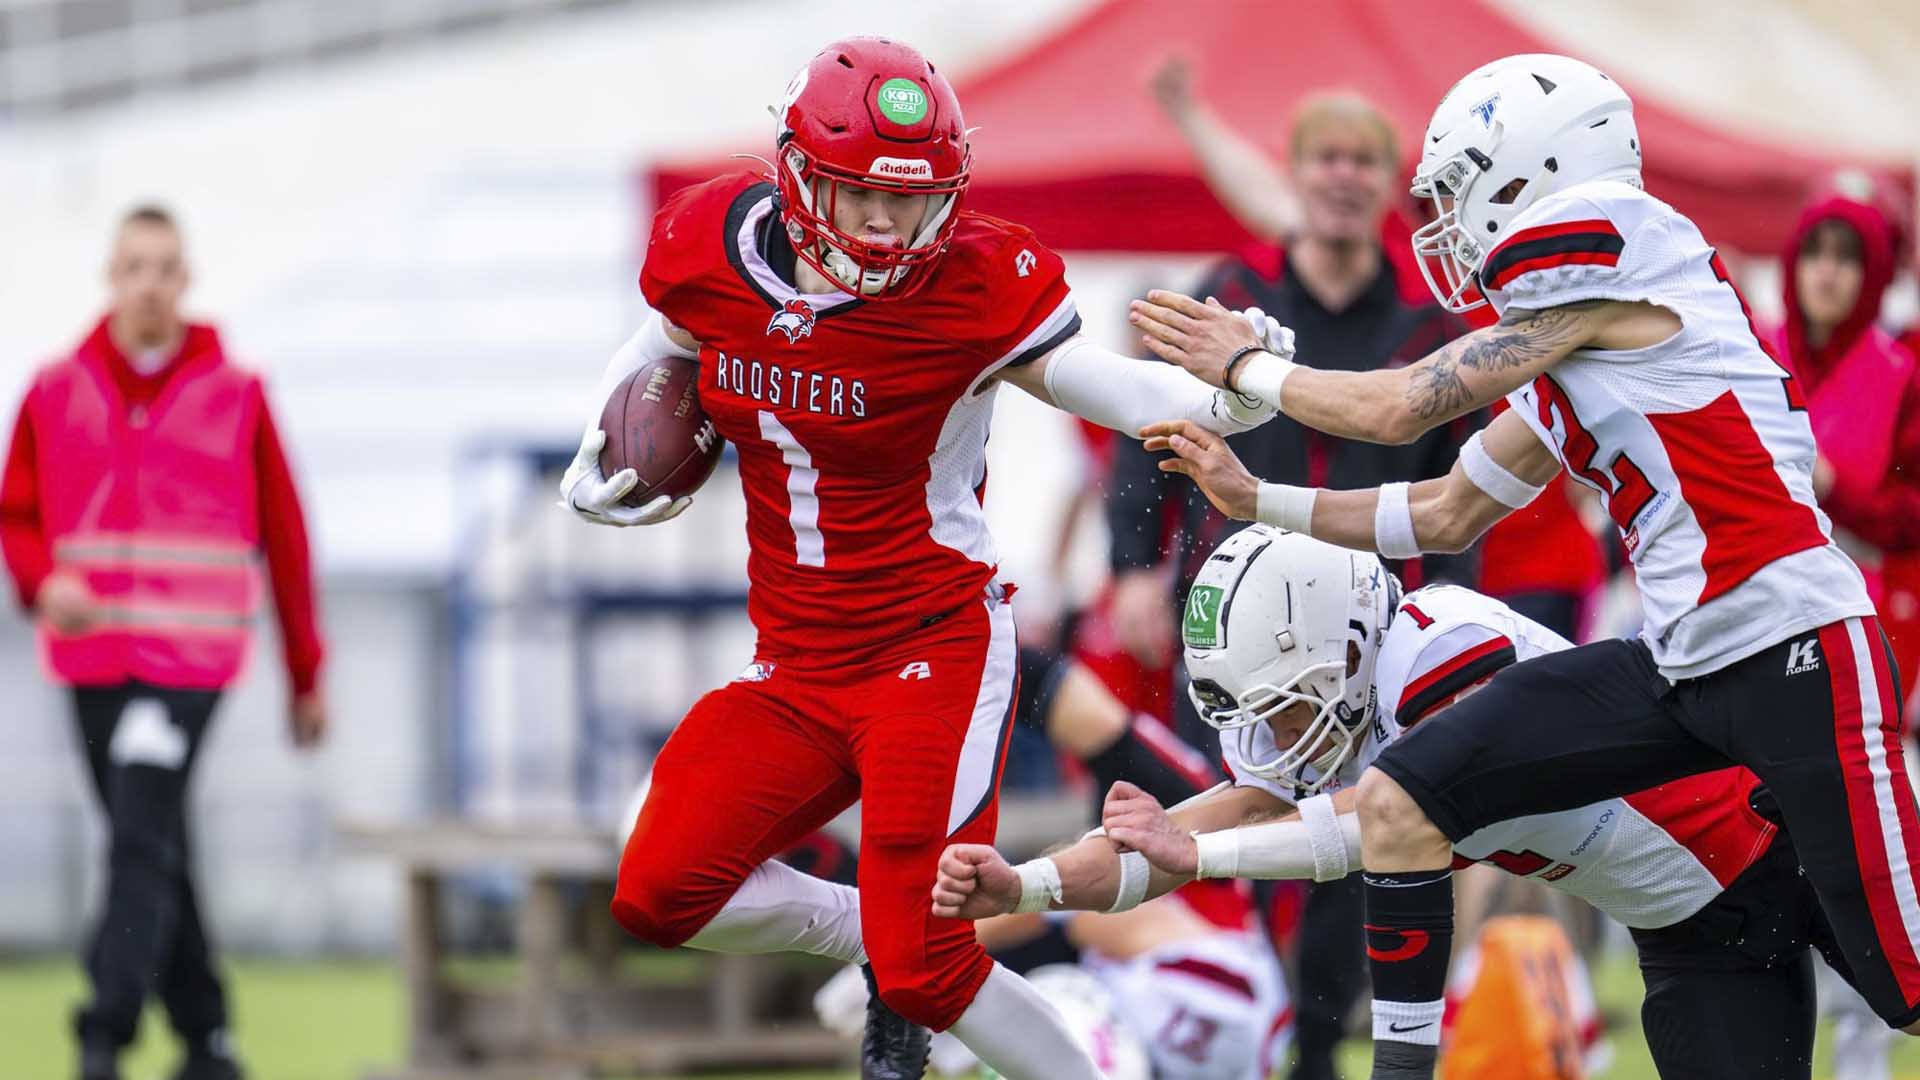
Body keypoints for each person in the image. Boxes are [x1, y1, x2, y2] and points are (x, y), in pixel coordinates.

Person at [1122, 52, 1915, 1079]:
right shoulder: (1582, 337)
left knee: (1907, 985)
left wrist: (1249, 366)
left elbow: (1403, 406)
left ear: (1537, 169)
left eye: (1461, 188)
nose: (1449, 223)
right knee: (1408, 790)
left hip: (1792, 643)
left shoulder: (1611, 238)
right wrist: (1257, 499)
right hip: (1681, 669)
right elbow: (1445, 511)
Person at [559, 36, 1289, 1080]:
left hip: (932, 649)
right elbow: (667, 337)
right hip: (796, 663)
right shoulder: (712, 245)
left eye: (908, 199)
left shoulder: (967, 287)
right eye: (860, 192)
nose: (884, 223)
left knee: (930, 968)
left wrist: (1235, 392)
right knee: (659, 889)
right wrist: (607, 437)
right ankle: (880, 929)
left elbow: (1102, 385)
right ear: (799, 171)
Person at [934, 526, 1840, 1078]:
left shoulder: (1439, 653)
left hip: (1778, 843)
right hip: (1688, 931)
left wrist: (1199, 854)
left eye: (1281, 705)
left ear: (1338, 644)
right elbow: (1170, 841)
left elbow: (1387, 819)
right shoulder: (1348, 690)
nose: (1274, 734)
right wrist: (1027, 885)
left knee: (1904, 1004)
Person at [0, 206, 328, 1080]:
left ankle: (101, 1035)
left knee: (140, 834)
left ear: (186, 280)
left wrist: (306, 674)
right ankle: (207, 1040)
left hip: (191, 664)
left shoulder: (240, 394)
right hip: (91, 660)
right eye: (134, 267)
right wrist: (42, 584)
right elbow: (17, 515)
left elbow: (286, 539)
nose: (149, 284)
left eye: (165, 267)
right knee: (152, 838)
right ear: (111, 278)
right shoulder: (52, 389)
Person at [1765, 183, 1920, 696]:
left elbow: (1912, 515)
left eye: (1846, 258)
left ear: (1872, 272)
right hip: (1755, 607)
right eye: (1814, 253)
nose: (1826, 272)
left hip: (1855, 615)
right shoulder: (1756, 353)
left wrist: (1835, 489)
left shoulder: (1901, 375)